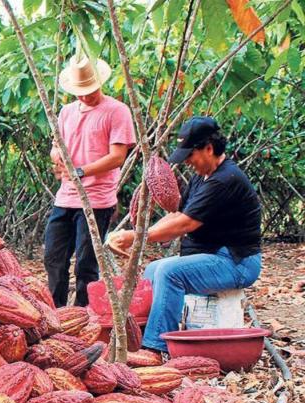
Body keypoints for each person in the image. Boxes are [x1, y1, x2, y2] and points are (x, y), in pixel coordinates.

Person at [108, 116, 262, 354]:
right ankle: (137, 336)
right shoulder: (202, 177)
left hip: (236, 262)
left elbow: (185, 224)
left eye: (190, 155)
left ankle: (155, 349)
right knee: (153, 270)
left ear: (209, 149)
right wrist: (137, 235)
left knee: (171, 273)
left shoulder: (224, 180)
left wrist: (138, 238)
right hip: (213, 256)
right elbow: (178, 214)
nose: (188, 162)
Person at [44, 54, 136, 308]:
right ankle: (57, 314)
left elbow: (117, 156)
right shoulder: (66, 112)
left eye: (89, 90)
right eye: (79, 92)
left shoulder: (117, 111)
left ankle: (84, 316)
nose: (85, 96)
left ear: (99, 83)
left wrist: (81, 171)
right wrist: (58, 159)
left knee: (86, 264)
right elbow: (55, 147)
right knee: (54, 258)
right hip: (66, 197)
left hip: (97, 199)